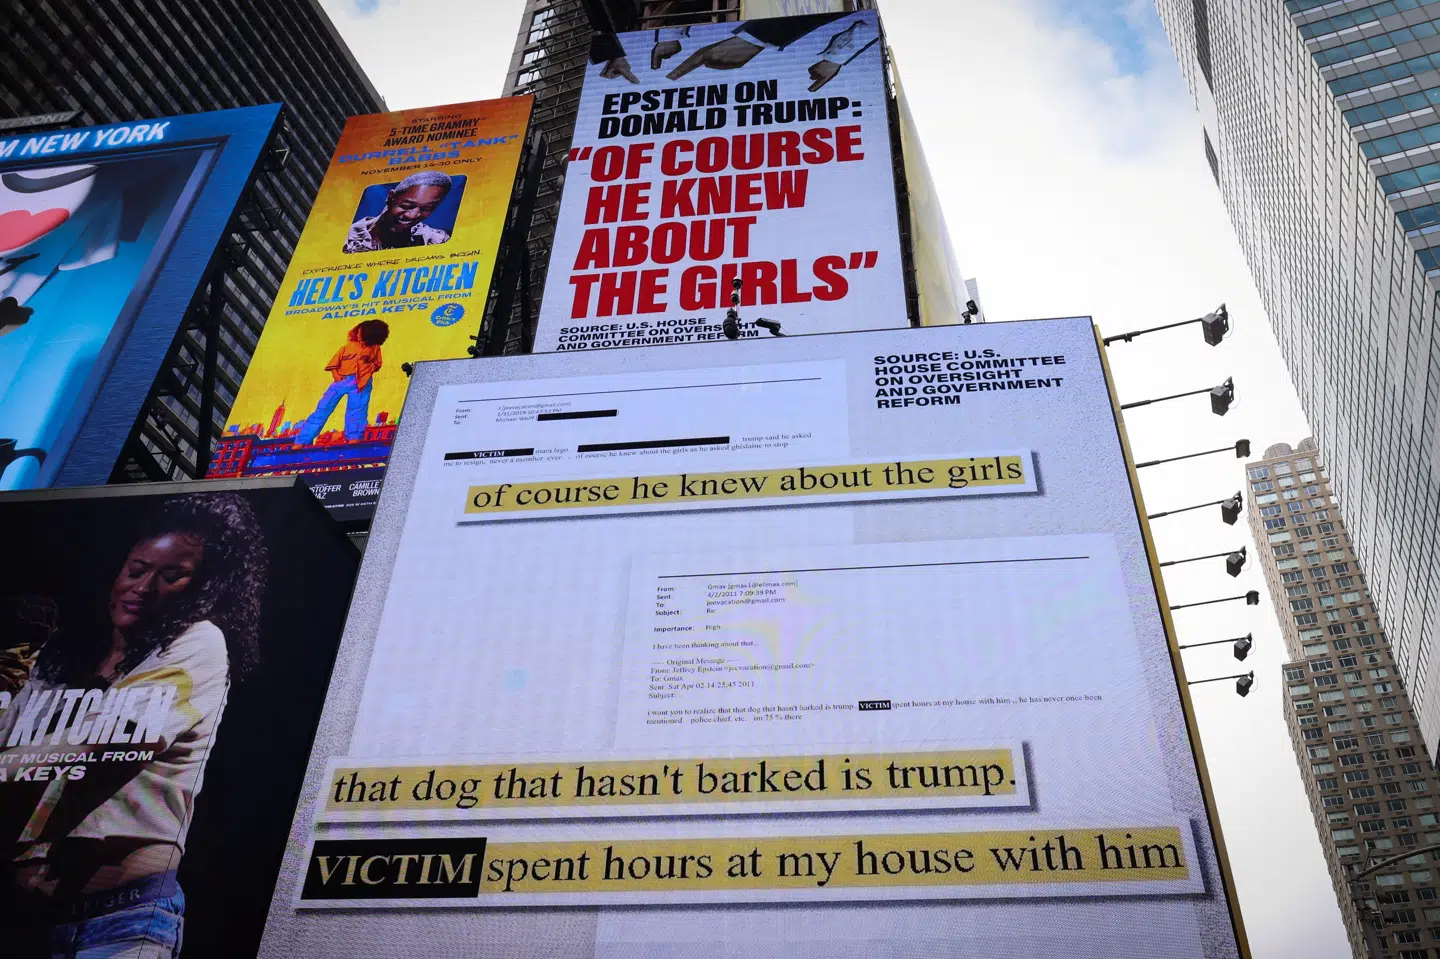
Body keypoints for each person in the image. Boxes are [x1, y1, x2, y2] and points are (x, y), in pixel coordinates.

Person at [0, 493, 267, 958]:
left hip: (120, 920)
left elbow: (98, 741)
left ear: (204, 586)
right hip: (26, 919)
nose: (142, 587)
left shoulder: (200, 643)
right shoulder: (67, 653)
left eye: (172, 576)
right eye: (137, 568)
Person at [294, 319, 389, 446]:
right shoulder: (346, 347)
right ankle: (303, 440)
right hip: (342, 380)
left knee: (357, 410)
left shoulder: (375, 348)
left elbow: (378, 364)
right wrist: (336, 376)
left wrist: (369, 370)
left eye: (361, 333)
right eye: (358, 332)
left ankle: (354, 438)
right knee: (323, 408)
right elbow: (334, 364)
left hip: (362, 382)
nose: (358, 335)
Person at [342, 170, 454, 252]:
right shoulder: (344, 240)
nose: (412, 215)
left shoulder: (437, 241)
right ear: (390, 197)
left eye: (426, 209)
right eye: (406, 206)